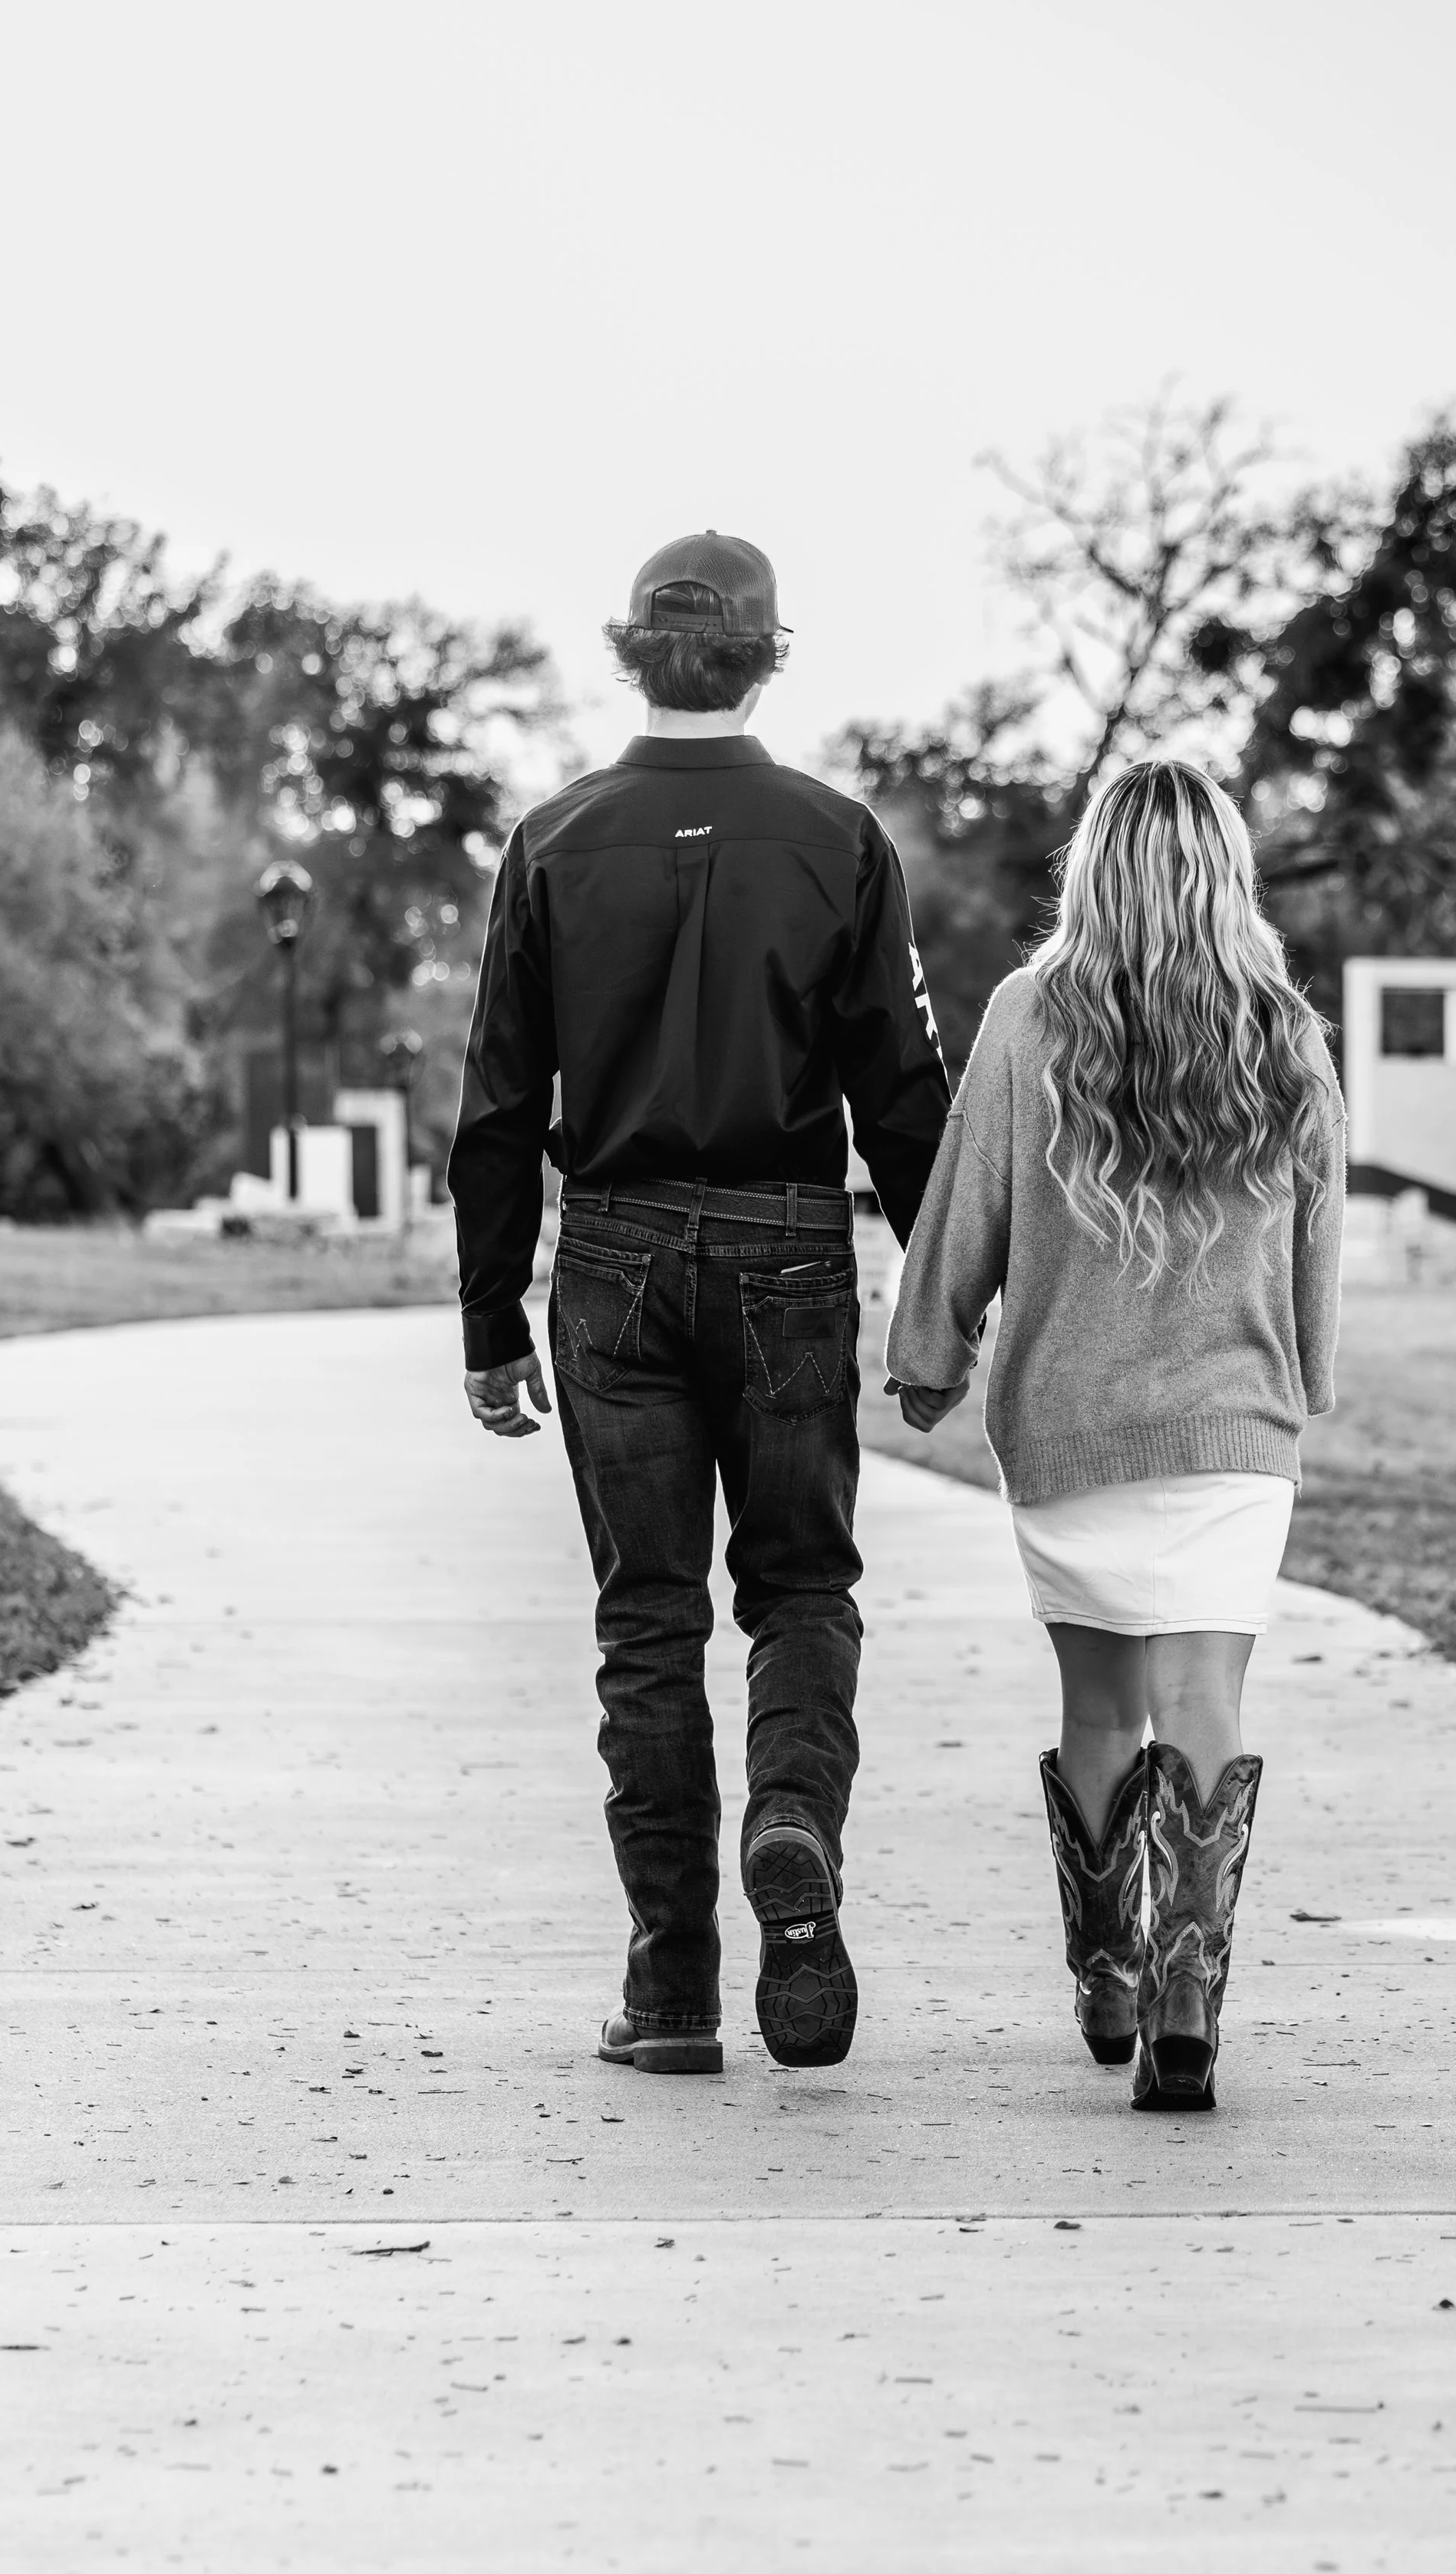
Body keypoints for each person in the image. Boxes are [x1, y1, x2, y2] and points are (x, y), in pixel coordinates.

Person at [448, 531, 951, 2078]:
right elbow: (901, 1092)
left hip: (606, 1255)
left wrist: (486, 1323)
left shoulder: (550, 839)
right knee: (798, 1590)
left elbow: (489, 1109)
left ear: (629, 651)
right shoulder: (836, 840)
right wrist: (945, 1287)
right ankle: (790, 1818)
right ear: (765, 656)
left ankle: (669, 1986)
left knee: (644, 1622)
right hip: (792, 1246)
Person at [885, 758, 1345, 2110]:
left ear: (1093, 870)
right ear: (1225, 874)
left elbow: (968, 1193)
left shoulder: (1033, 1014)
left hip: (1072, 1426)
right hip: (1233, 1432)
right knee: (1206, 1701)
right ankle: (1191, 1990)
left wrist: (928, 1354)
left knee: (1101, 1707)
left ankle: (1109, 1968)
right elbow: (1315, 1237)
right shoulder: (1285, 1030)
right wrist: (1305, 1376)